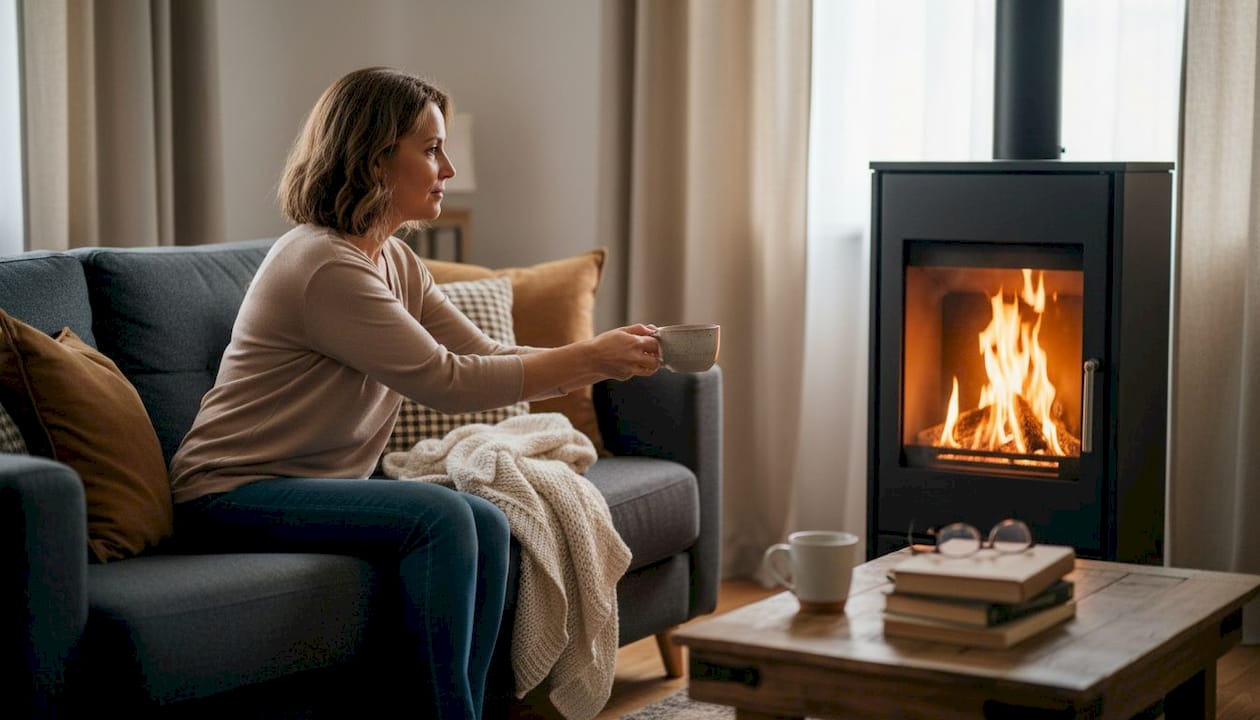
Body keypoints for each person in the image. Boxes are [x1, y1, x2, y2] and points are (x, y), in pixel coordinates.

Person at [168, 66, 662, 720]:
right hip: (228, 493)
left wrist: (598, 361)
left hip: (314, 484)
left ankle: (469, 708)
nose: (447, 168)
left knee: (487, 516)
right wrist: (589, 358)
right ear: (375, 159)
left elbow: (483, 354)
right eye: (431, 150)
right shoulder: (324, 265)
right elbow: (445, 380)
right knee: (444, 516)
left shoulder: (394, 260)